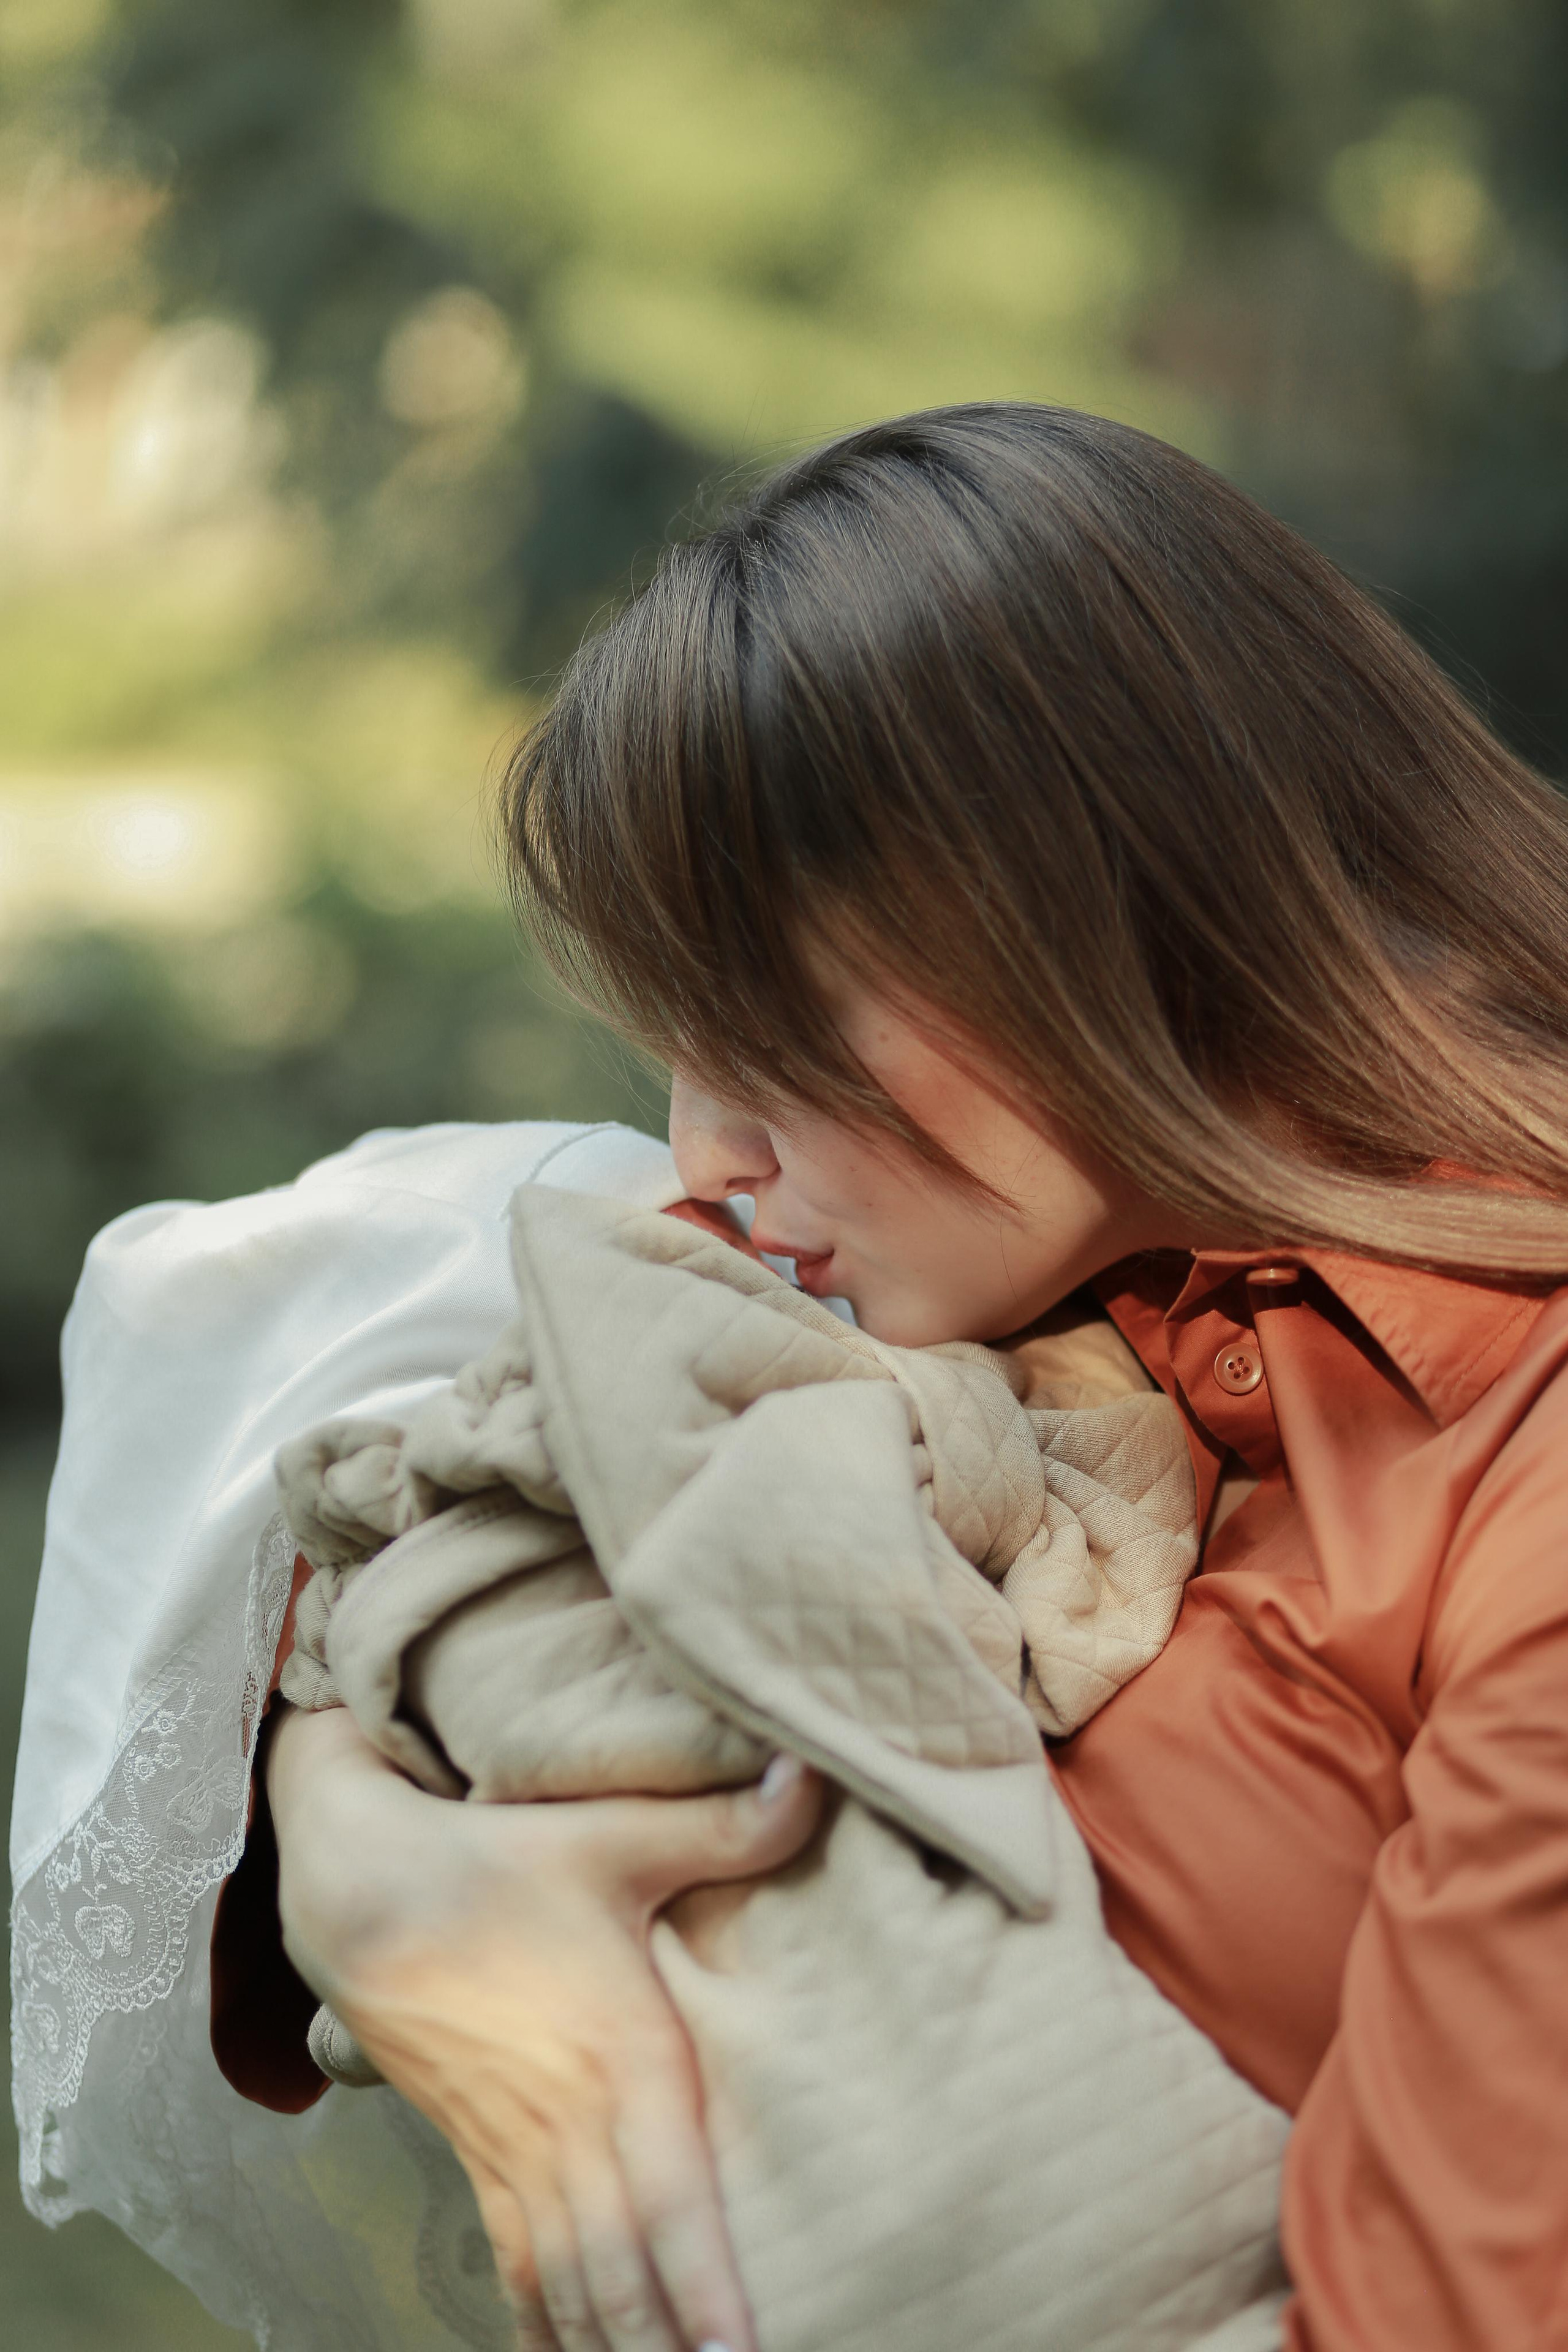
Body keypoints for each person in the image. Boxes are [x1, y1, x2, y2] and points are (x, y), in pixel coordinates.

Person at [20, 401, 1568, 2352]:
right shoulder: (1022, 1283)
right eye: (678, 1046)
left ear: (1099, 905)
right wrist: (365, 1864)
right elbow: (459, 1553)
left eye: (773, 1035)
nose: (705, 1156)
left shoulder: (1516, 1457)